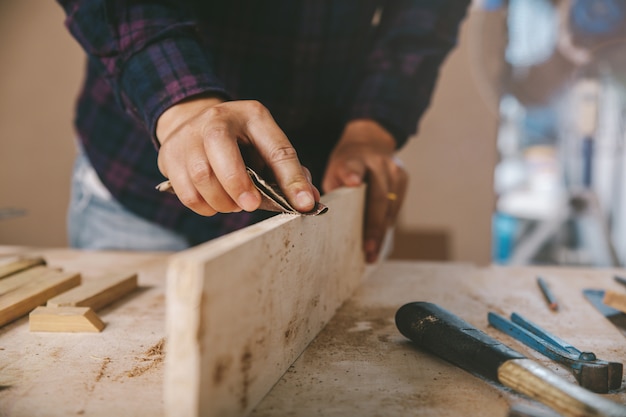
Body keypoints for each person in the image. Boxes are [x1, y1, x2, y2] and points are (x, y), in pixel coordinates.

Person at [57, 1, 470, 263]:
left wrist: (372, 128)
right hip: (138, 182)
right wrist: (183, 106)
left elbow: (426, 15)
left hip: (322, 179)